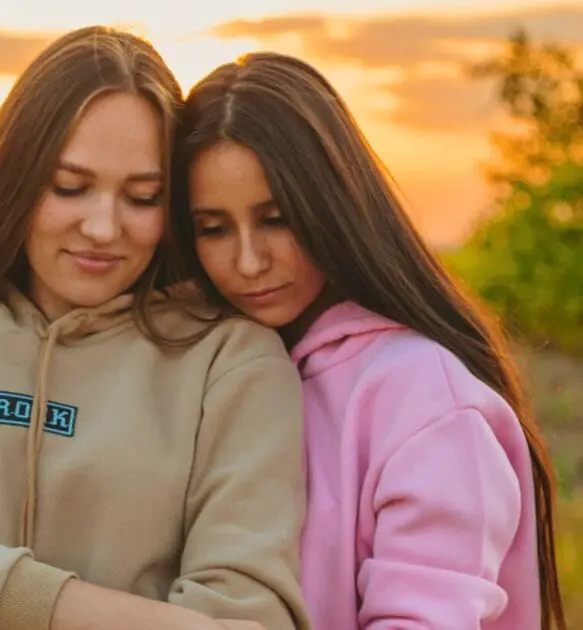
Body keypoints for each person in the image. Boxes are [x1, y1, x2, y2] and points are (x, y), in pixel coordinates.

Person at [0, 27, 310, 630]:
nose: (104, 228)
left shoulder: (233, 361)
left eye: (142, 197)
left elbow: (248, 603)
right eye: (70, 188)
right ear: (15, 182)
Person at [170, 51, 566, 630]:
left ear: (331, 205)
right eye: (214, 229)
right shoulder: (204, 367)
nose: (249, 262)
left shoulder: (428, 402)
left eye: (276, 218)